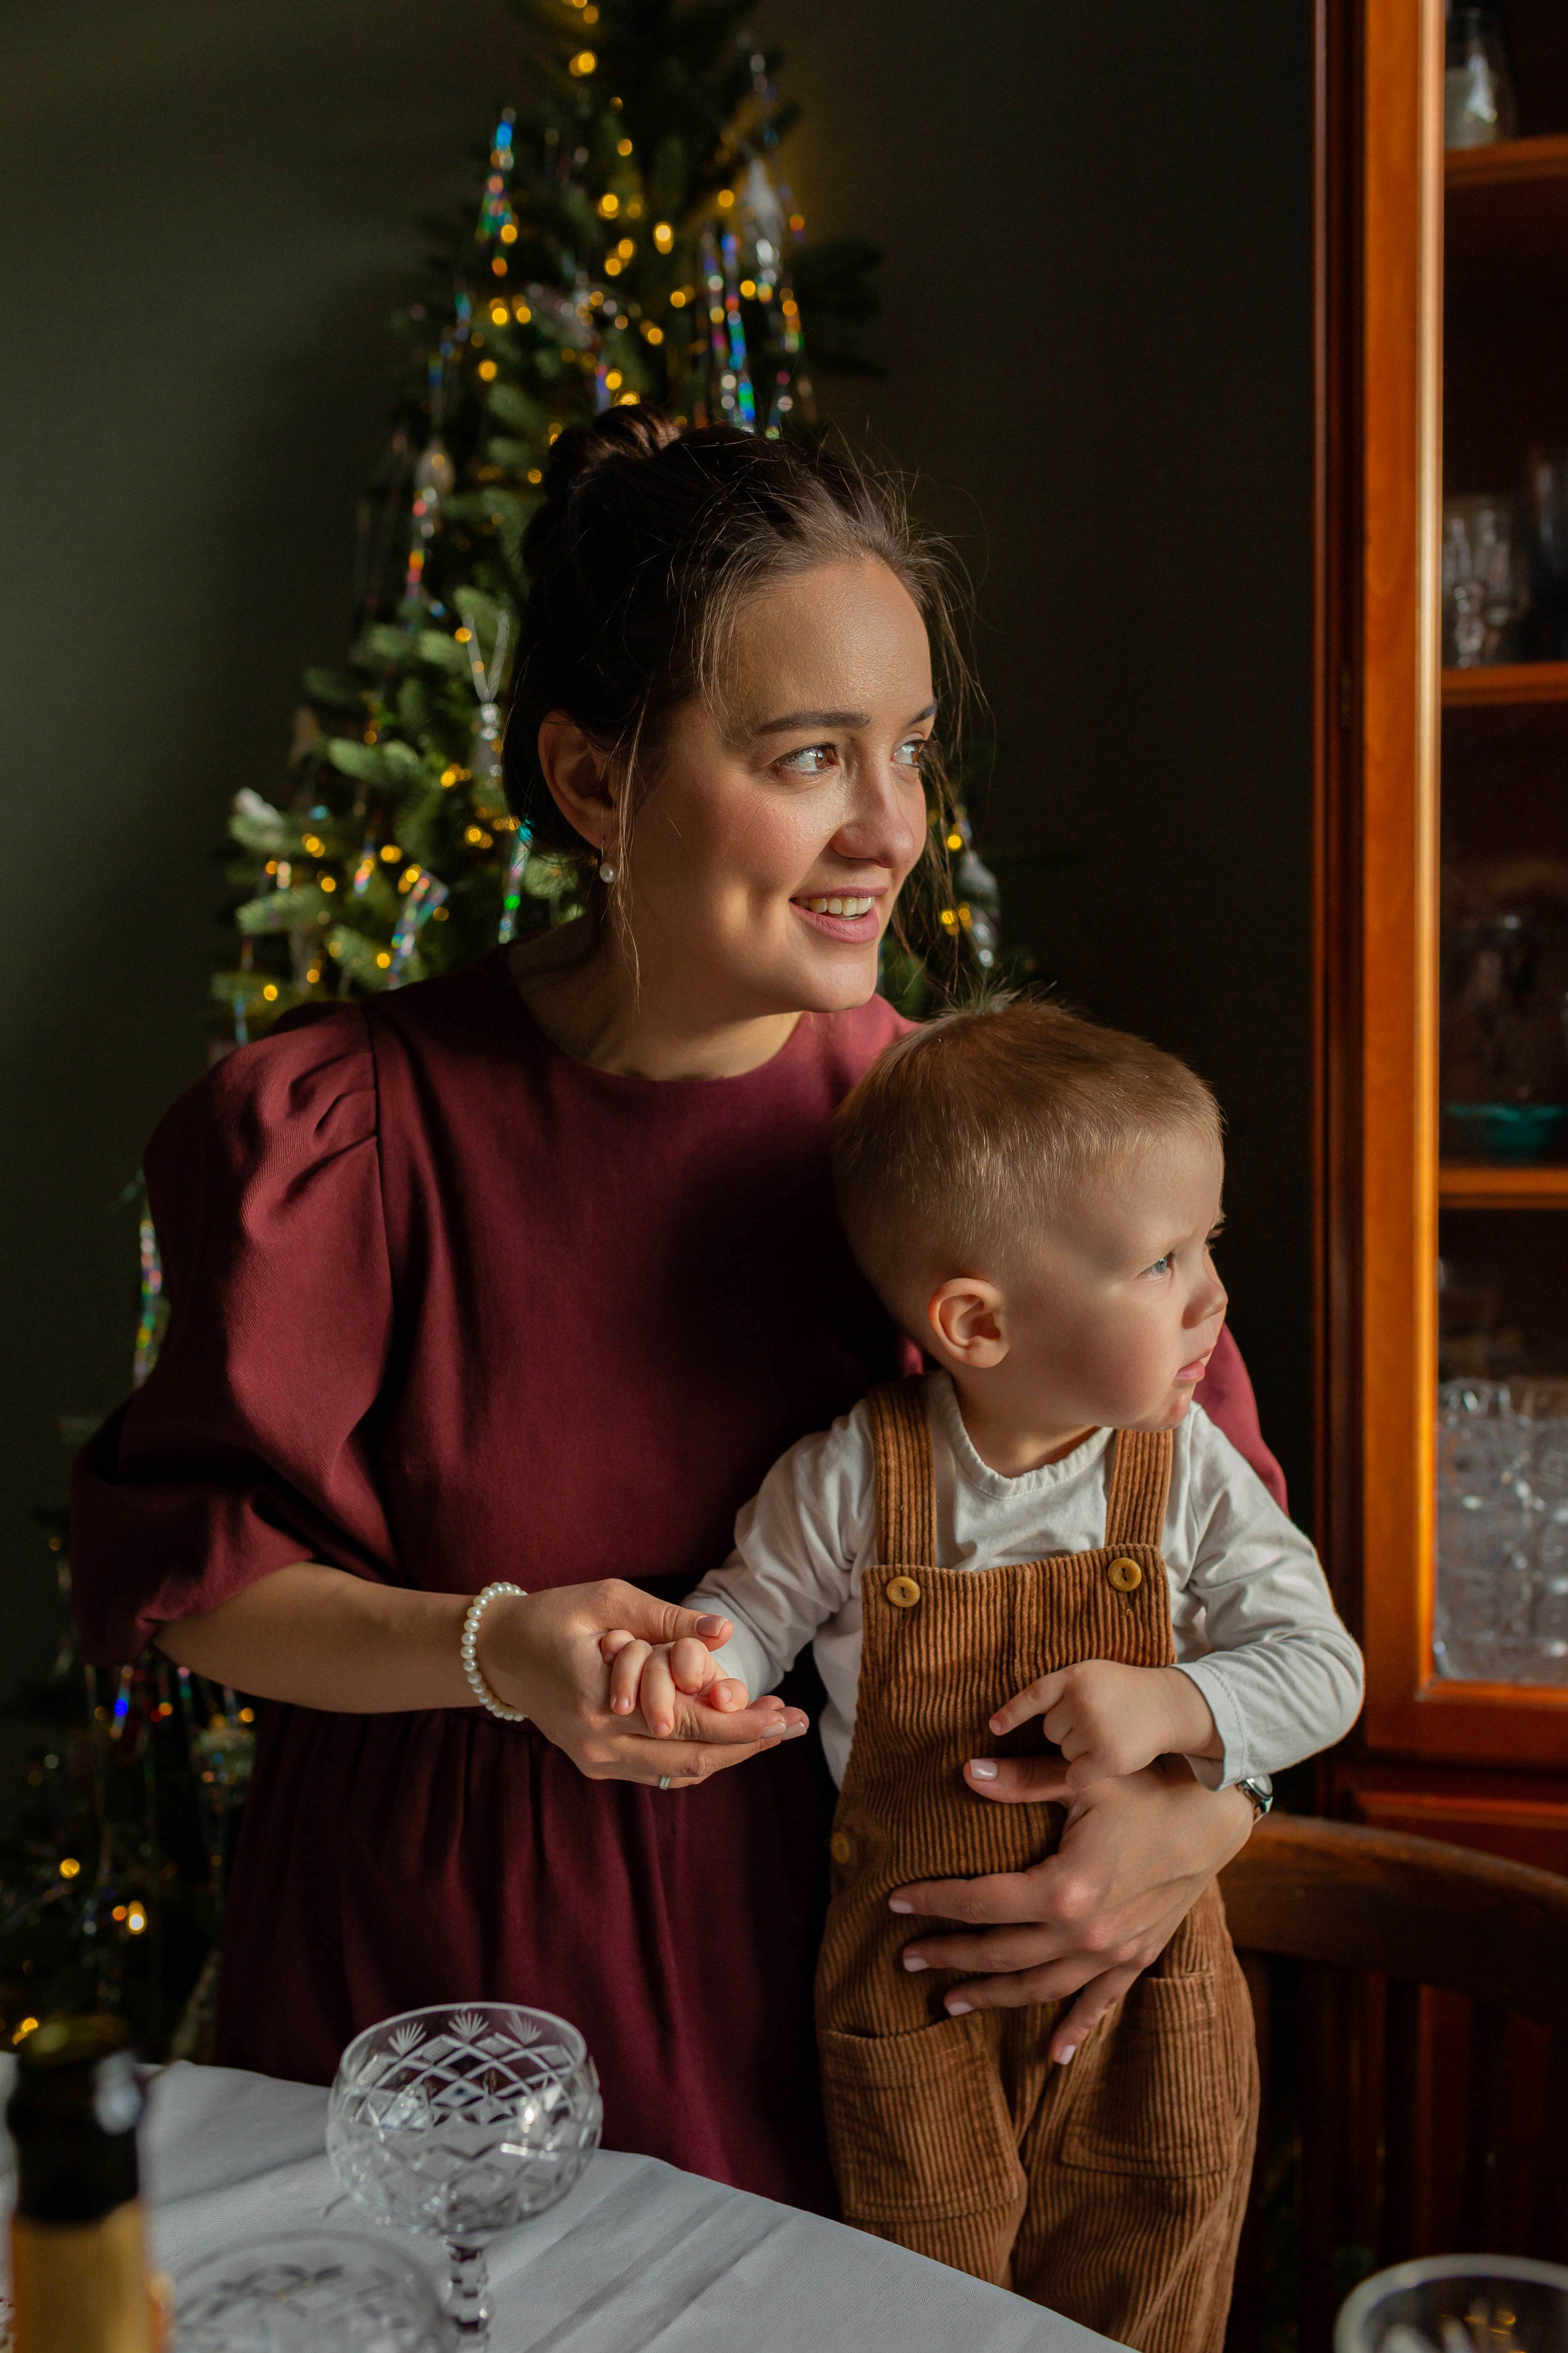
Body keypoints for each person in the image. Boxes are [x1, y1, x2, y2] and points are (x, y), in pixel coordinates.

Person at [70, 409, 1283, 2217]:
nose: (892, 828)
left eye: (909, 750)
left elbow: (1228, 1570)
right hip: (434, 2002)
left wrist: (1206, 1816)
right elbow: (201, 1587)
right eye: (810, 757)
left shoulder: (996, 1159)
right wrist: (499, 1649)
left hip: (852, 2018)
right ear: (591, 780)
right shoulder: (348, 1130)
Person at [605, 999, 1362, 2351]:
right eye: (1161, 1260)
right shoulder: (852, 1477)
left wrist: (1181, 1704)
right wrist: (694, 1674)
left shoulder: (1187, 1473)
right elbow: (749, 1610)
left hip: (1144, 1998)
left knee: (1150, 2276)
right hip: (918, 1996)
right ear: (976, 1321)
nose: (1211, 1297)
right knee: (930, 2308)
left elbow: (1323, 1669)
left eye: (1209, 1244)